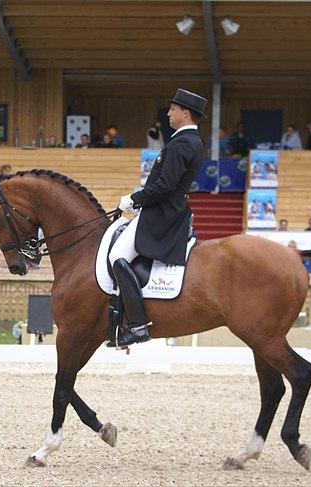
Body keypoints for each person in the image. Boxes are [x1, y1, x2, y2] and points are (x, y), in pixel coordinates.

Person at [109, 88, 206, 348]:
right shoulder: (189, 141)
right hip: (168, 210)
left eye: (173, 109)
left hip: (162, 214)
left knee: (117, 257)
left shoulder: (183, 143)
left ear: (185, 113)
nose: (169, 113)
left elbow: (165, 185)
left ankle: (138, 325)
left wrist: (135, 199)